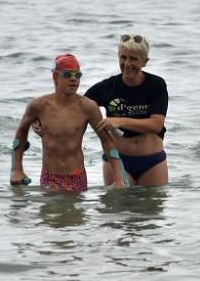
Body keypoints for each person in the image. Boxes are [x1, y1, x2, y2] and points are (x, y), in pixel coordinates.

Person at [10, 53, 125, 192]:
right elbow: (21, 131)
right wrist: (16, 170)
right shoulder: (39, 106)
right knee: (49, 213)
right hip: (49, 177)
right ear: (55, 77)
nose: (73, 79)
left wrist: (119, 178)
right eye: (67, 75)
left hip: (77, 177)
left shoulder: (88, 107)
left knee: (76, 214)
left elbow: (106, 141)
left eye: (78, 75)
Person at [85, 34, 169, 186]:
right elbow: (77, 107)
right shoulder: (107, 87)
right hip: (117, 160)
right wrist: (40, 121)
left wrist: (119, 121)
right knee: (117, 208)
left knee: (151, 206)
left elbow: (156, 124)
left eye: (133, 59)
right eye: (123, 57)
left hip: (153, 162)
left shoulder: (156, 85)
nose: (127, 63)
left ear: (145, 62)